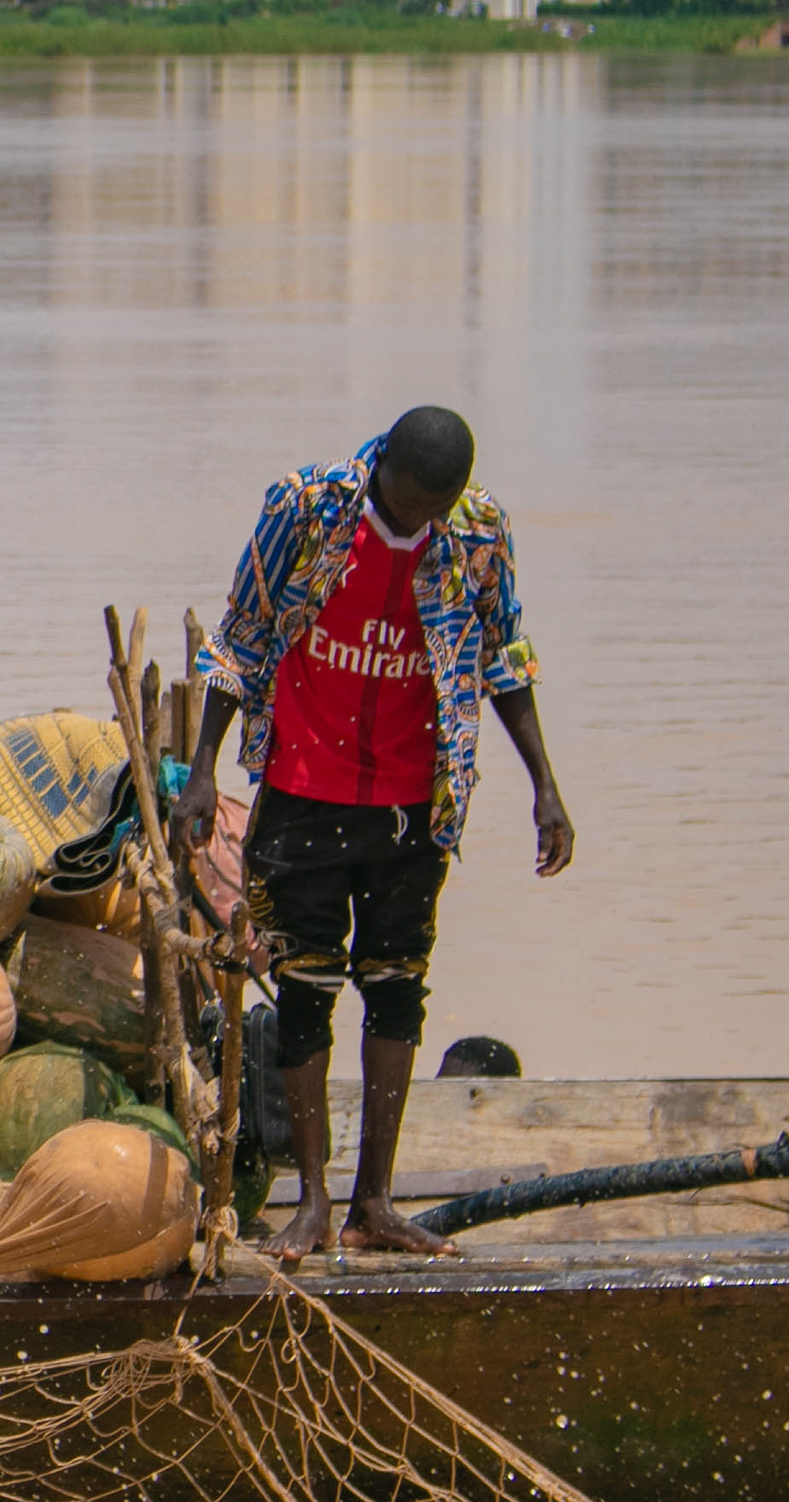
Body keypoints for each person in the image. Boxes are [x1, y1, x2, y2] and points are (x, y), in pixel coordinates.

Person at [170, 407, 576, 1263]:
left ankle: (375, 1203)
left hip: (414, 799)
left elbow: (506, 655)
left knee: (397, 988)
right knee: (308, 987)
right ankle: (314, 1202)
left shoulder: (475, 532)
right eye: (401, 504)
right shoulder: (307, 510)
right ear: (378, 462)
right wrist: (204, 767)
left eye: (431, 510)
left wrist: (546, 785)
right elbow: (239, 639)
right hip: (302, 787)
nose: (412, 523)